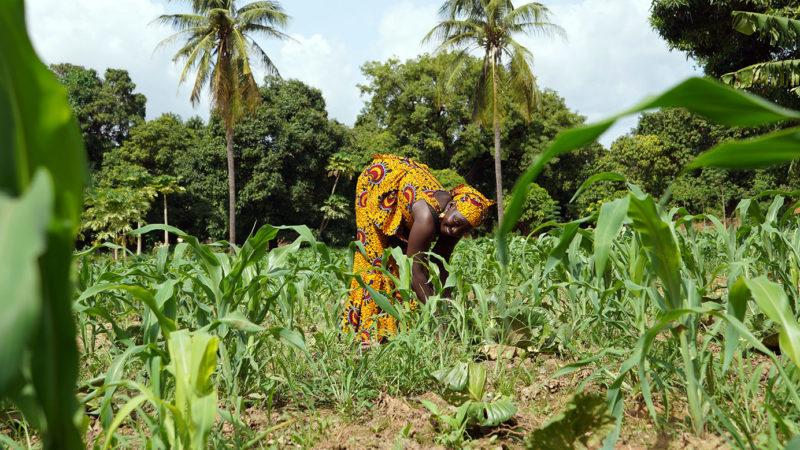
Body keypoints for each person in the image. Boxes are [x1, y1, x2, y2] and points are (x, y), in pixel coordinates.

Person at [341, 154, 495, 344]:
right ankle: (365, 334)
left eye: (463, 230)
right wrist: (438, 319)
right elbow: (415, 271)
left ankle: (397, 329)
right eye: (456, 223)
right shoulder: (426, 218)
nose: (455, 230)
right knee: (376, 259)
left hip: (407, 198)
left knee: (404, 258)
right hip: (379, 183)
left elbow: (441, 261)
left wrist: (448, 305)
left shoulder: (455, 222)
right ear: (452, 205)